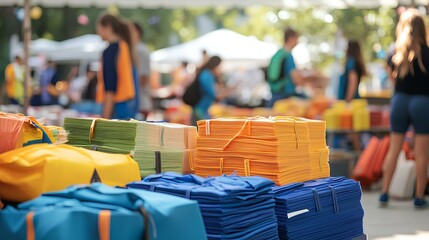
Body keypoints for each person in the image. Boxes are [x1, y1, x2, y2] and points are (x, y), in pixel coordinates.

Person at [380, 9, 429, 208]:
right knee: (422, 152)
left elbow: (392, 79)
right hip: (422, 102)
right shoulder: (427, 53)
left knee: (394, 149)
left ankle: (384, 192)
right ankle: (418, 197)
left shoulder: (396, 54)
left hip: (399, 101)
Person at [266, 27, 322, 107]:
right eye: (297, 39)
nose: (297, 42)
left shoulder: (278, 54)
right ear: (291, 38)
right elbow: (297, 80)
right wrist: (313, 77)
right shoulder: (288, 56)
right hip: (285, 98)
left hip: (274, 97)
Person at [96, 14, 136, 120]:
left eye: (99, 28)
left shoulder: (110, 51)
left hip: (114, 107)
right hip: (127, 105)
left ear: (107, 27)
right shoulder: (124, 46)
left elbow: (110, 86)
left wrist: (105, 116)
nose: (98, 32)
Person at [191, 56, 228, 125]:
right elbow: (212, 93)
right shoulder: (206, 74)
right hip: (200, 110)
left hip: (202, 110)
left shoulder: (207, 74)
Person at [129, 21, 152, 119]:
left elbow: (143, 78)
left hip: (140, 104)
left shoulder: (140, 50)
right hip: (136, 103)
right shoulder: (135, 49)